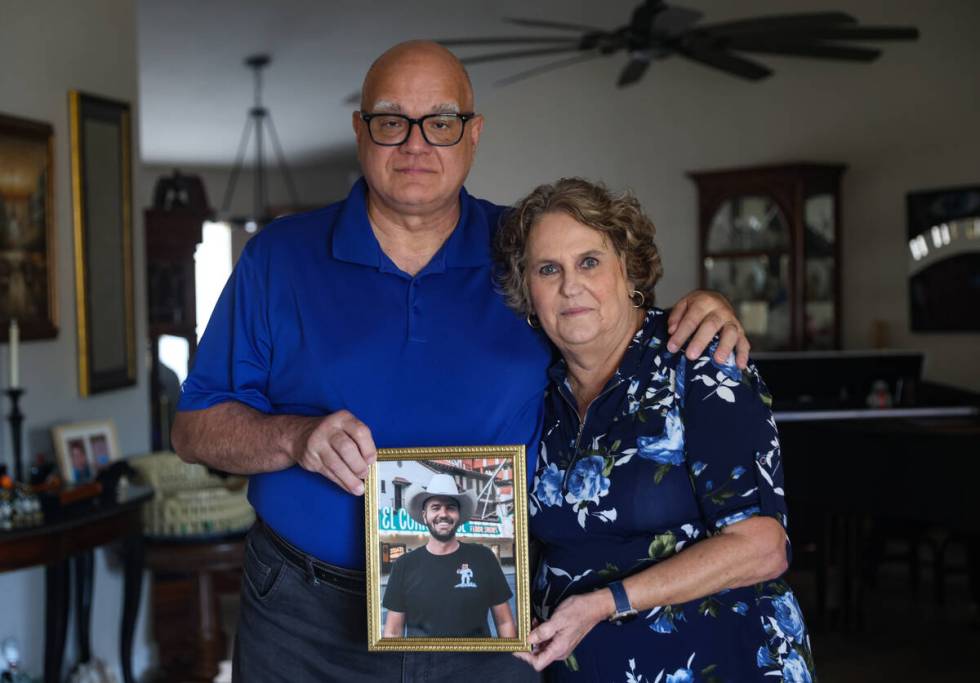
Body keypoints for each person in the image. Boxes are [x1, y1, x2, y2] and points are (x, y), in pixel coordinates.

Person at [171, 41, 750, 682]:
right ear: (360, 132)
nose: (415, 145)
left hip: (489, 613)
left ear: (473, 135)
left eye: (441, 122)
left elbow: (615, 322)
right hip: (305, 619)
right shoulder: (278, 259)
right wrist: (294, 437)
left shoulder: (527, 251)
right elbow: (194, 428)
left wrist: (700, 308)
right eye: (391, 121)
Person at [494, 178, 816, 682]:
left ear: (629, 270)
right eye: (548, 269)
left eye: (589, 262)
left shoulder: (699, 360)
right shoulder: (537, 393)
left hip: (722, 661)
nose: (570, 285)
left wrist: (606, 603)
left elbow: (762, 546)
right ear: (527, 291)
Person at [383, 473, 514, 638]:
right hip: (421, 663)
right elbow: (393, 631)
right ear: (425, 516)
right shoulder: (404, 565)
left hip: (479, 662)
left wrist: (510, 661)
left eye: (450, 507)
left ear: (458, 515)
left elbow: (504, 621)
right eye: (435, 507)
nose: (443, 514)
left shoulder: (484, 557)